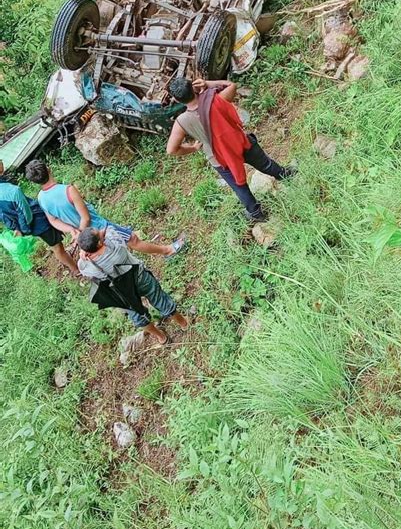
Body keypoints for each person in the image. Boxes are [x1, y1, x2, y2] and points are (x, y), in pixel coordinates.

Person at [166, 77, 295, 223]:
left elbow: (171, 150)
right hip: (240, 143)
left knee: (239, 186)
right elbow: (231, 85)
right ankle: (286, 175)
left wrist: (193, 148)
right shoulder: (216, 99)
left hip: (219, 158)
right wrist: (208, 83)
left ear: (177, 100)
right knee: (265, 164)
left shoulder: (182, 122)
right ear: (193, 87)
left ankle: (256, 213)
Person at [25, 160, 186, 259]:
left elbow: (53, 220)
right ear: (49, 169)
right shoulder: (68, 190)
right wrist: (81, 232)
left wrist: (73, 231)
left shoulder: (41, 198)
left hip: (84, 238)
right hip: (99, 228)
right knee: (132, 240)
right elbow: (86, 218)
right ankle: (167, 250)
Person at [77, 227, 188, 346]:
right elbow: (110, 229)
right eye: (98, 233)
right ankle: (184, 324)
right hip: (140, 278)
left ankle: (161, 337)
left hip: (122, 293)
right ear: (99, 243)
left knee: (137, 315)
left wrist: (84, 251)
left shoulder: (85, 267)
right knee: (159, 299)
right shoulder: (116, 246)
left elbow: (82, 265)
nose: (100, 231)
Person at [0, 160, 78, 275]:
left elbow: (3, 215)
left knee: (55, 243)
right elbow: (26, 213)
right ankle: (75, 269)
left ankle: (68, 258)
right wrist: (25, 229)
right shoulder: (13, 191)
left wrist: (16, 228)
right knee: (57, 247)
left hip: (22, 226)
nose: (2, 162)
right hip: (38, 222)